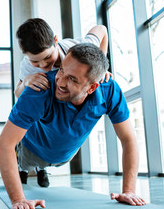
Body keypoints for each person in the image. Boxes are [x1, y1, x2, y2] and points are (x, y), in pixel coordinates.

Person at [0, 43, 146, 209]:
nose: (60, 81)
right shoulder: (39, 90)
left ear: (92, 87)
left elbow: (128, 139)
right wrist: (18, 199)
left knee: (57, 153)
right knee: (23, 163)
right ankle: (28, 166)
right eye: (62, 71)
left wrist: (129, 191)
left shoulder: (109, 90)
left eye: (73, 79)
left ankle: (41, 169)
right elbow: (3, 145)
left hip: (66, 153)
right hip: (32, 151)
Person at [14, 18, 111, 184]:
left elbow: (101, 29)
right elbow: (17, 93)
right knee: (40, 132)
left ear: (56, 41)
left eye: (47, 57)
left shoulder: (81, 49)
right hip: (47, 101)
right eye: (35, 61)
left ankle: (41, 168)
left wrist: (101, 70)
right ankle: (24, 167)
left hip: (69, 98)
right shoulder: (28, 67)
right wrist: (27, 81)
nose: (43, 65)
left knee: (58, 135)